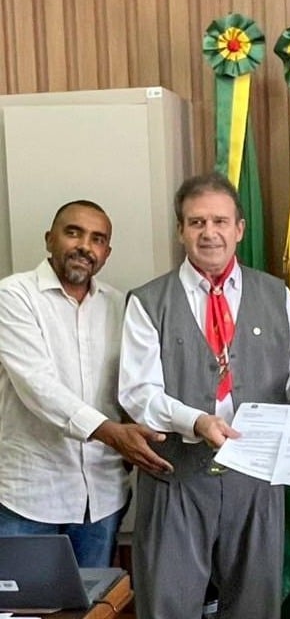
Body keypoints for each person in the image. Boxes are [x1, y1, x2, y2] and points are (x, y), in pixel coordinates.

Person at [118, 171, 290, 619]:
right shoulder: (147, 301)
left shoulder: (275, 294)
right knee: (167, 606)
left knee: (255, 607)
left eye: (220, 221)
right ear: (180, 230)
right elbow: (139, 393)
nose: (209, 233)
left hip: (256, 479)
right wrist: (195, 421)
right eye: (196, 222)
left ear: (239, 229)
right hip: (176, 478)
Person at [0, 200, 172, 568]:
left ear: (106, 253)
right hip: (29, 496)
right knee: (24, 600)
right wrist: (112, 434)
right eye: (73, 233)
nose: (84, 246)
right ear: (50, 239)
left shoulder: (120, 305)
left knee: (96, 598)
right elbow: (37, 386)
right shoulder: (13, 296)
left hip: (102, 497)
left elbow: (132, 385)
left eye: (97, 239)